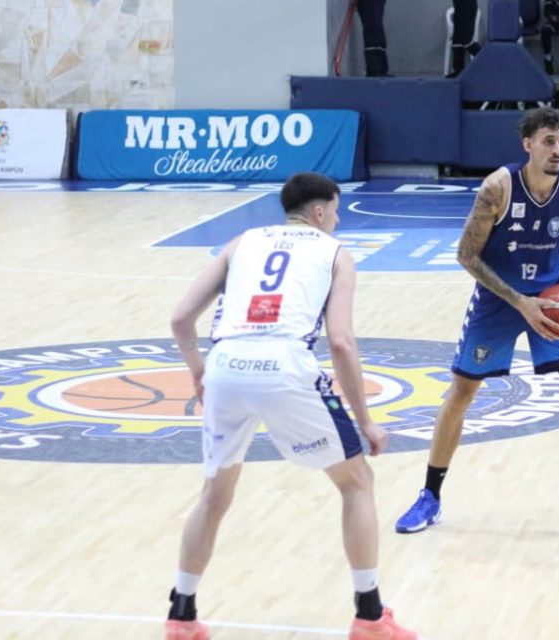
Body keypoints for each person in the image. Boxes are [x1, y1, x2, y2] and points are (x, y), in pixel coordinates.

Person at [163, 172, 416, 640]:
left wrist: (198, 371)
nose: (338, 221)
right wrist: (365, 421)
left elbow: (180, 319)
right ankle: (369, 616)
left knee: (214, 495)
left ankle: (181, 615)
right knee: (357, 481)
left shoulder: (241, 242)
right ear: (319, 212)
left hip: (225, 364)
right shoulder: (335, 253)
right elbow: (340, 342)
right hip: (283, 364)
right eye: (336, 212)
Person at [393, 106, 559, 543]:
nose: (557, 150)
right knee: (461, 393)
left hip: (551, 299)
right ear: (527, 144)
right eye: (549, 141)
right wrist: (519, 302)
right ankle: (430, 496)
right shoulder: (498, 187)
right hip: (500, 300)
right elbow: (466, 255)